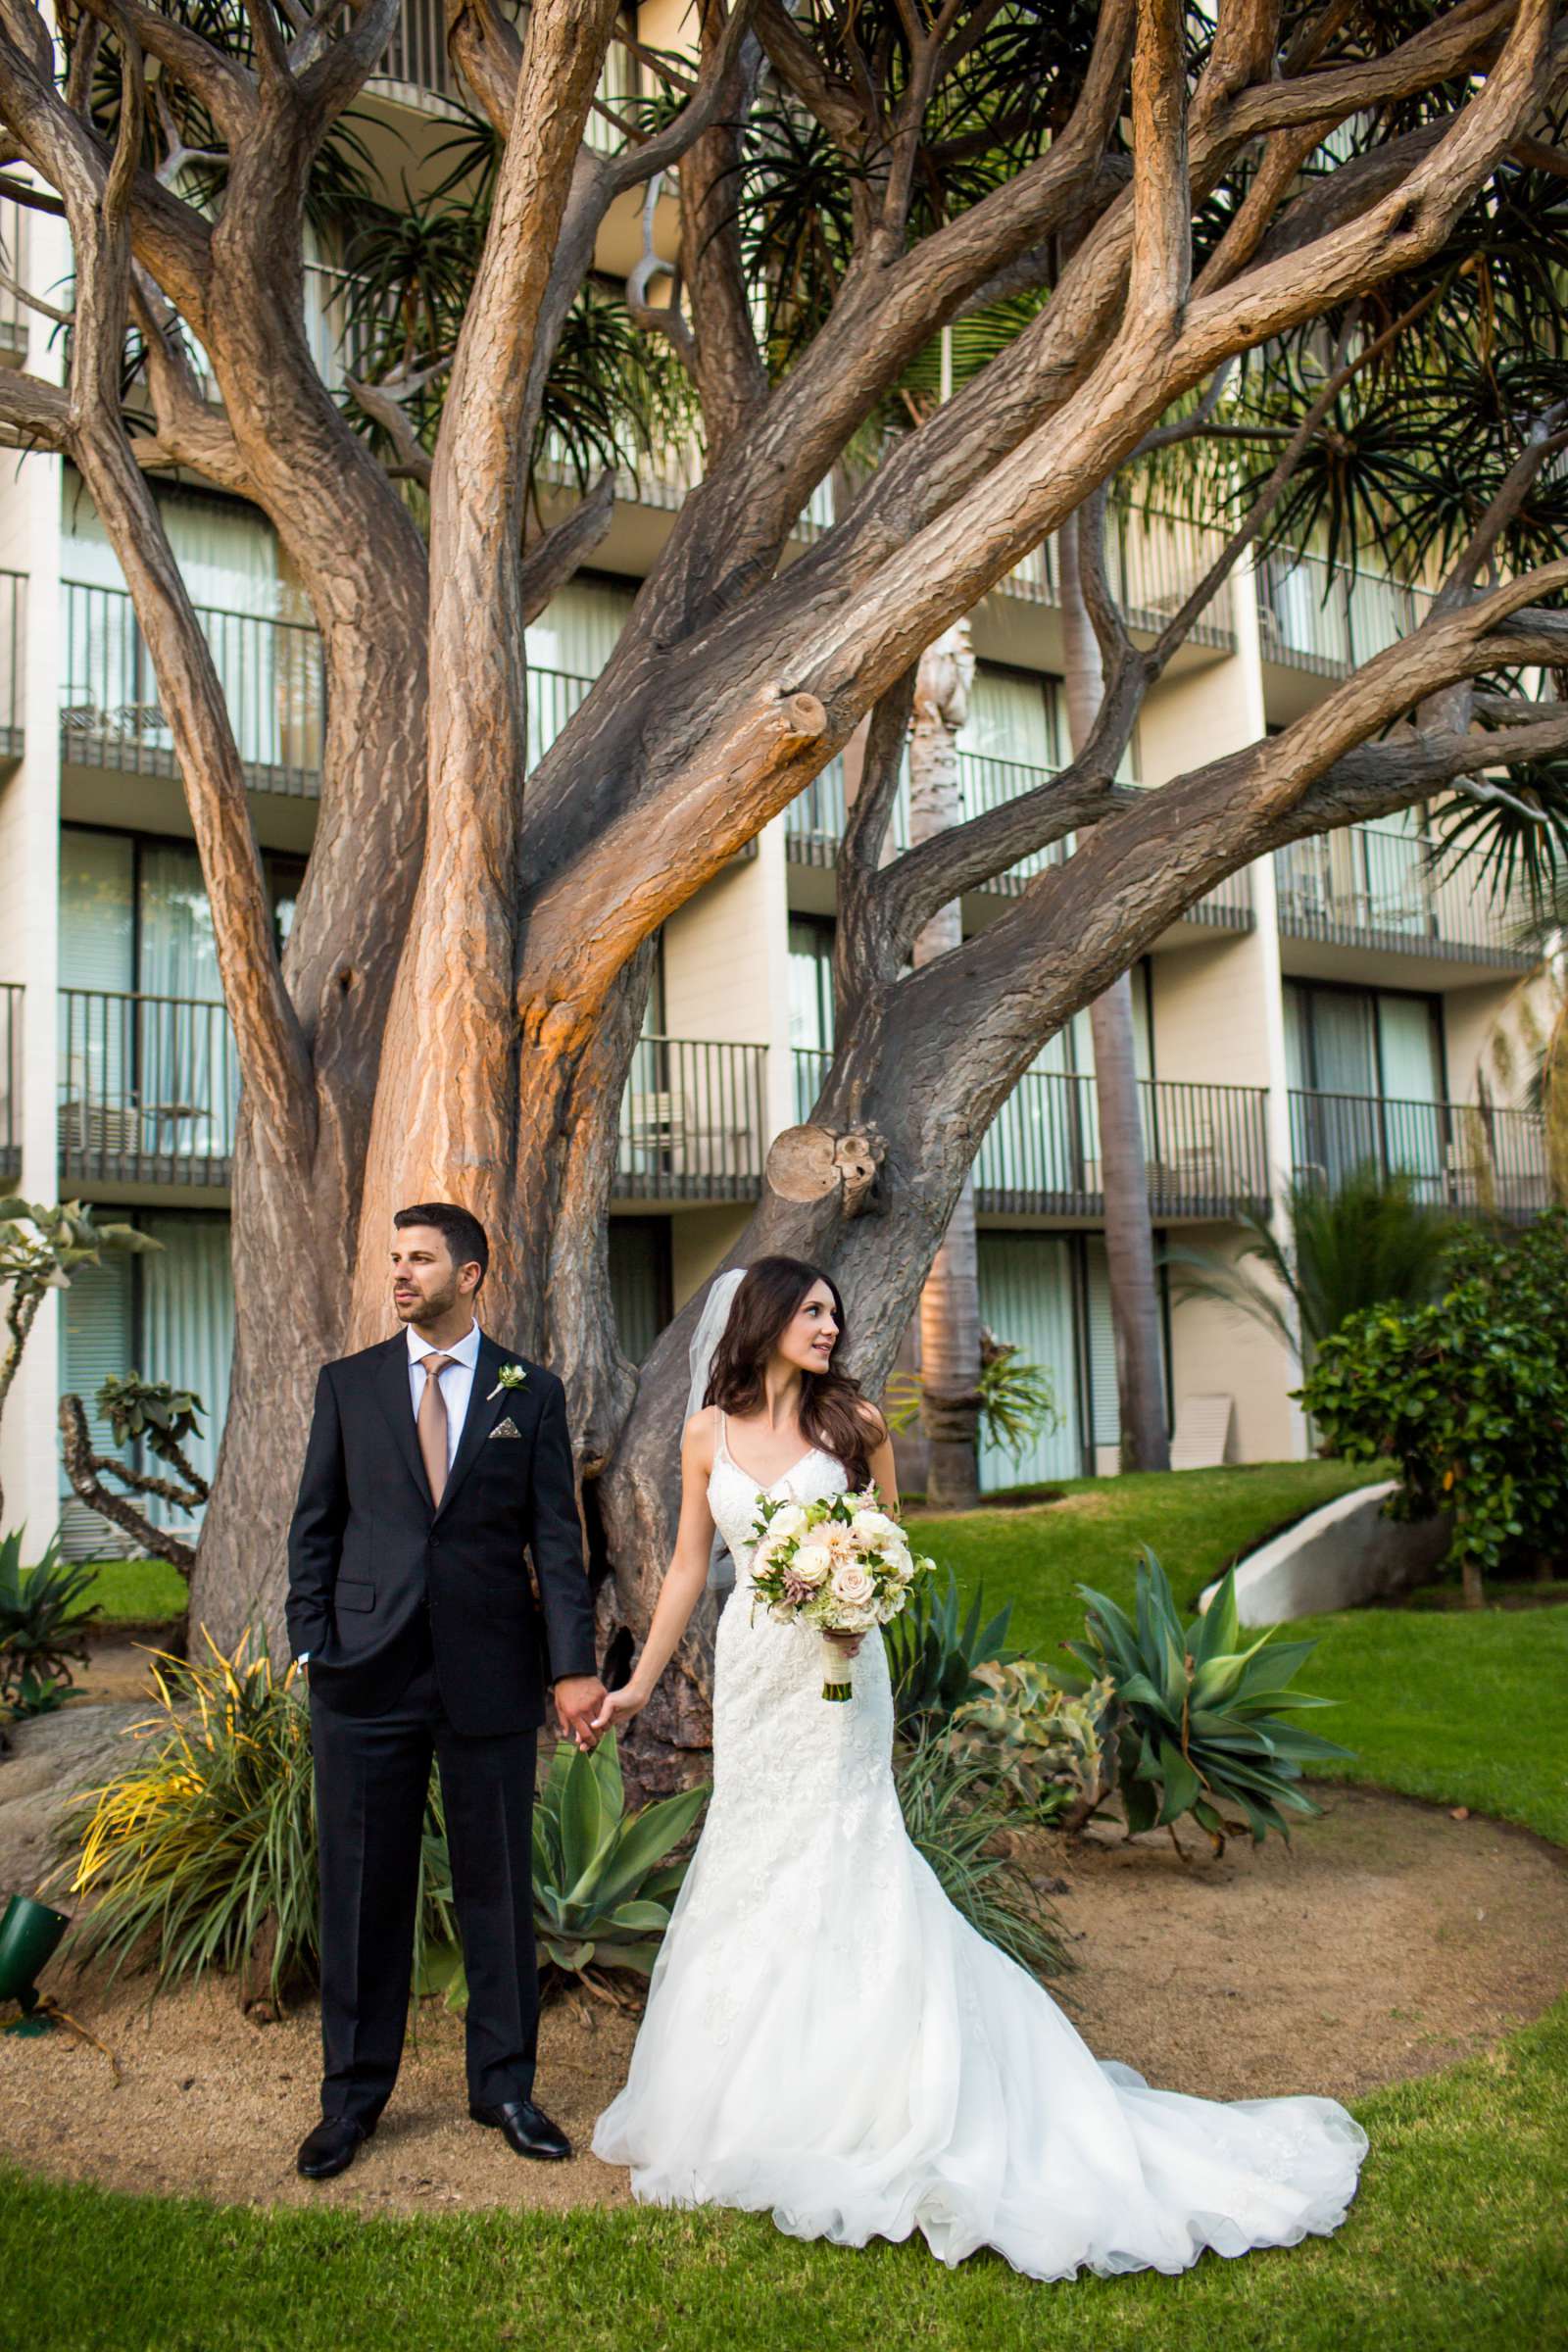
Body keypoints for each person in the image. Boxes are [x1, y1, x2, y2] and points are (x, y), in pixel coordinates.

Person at [589, 1254, 1367, 2280]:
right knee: (754, 1851)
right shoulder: (705, 1434)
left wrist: (856, 1598)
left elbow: (890, 1542)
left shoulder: (855, 1425)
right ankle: (752, 2091)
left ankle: (880, 2088)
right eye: (812, 1311)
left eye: (832, 1311)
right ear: (765, 1320)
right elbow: (693, 1564)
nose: (830, 1326)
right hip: (753, 1675)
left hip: (839, 1667)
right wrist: (641, 1684)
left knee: (846, 1846)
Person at [285, 1201, 606, 2181]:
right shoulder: (348, 1386)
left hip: (491, 1674)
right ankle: (352, 2101)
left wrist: (571, 1666)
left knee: (496, 1888)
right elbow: (315, 1526)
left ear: (472, 1274)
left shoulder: (530, 1392)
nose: (400, 1272)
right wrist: (312, 1646)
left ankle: (503, 2086)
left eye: (419, 1258)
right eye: (394, 1257)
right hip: (365, 1673)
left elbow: (558, 1539)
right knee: (361, 1890)